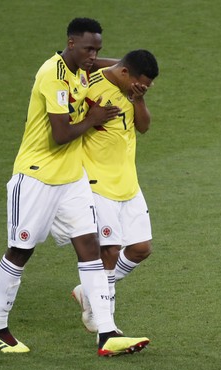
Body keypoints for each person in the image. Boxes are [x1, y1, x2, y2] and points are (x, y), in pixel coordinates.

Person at [0, 18, 150, 357]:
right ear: (71, 42)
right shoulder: (53, 75)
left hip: (72, 178)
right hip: (36, 177)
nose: (94, 56)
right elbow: (60, 135)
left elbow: (111, 66)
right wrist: (93, 119)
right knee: (21, 251)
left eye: (98, 50)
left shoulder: (80, 71)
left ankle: (106, 333)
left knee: (91, 247)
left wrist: (121, 68)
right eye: (88, 48)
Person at [71, 50, 159, 333]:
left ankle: (89, 291)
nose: (140, 88)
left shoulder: (132, 91)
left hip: (128, 182)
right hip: (97, 182)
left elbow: (143, 128)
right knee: (109, 251)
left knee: (141, 248)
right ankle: (104, 320)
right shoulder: (90, 86)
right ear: (125, 73)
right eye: (140, 84)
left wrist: (139, 98)